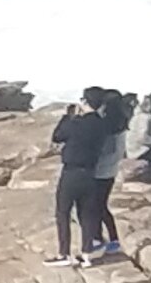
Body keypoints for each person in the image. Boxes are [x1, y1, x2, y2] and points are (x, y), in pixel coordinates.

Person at [51, 85, 125, 262]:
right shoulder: (103, 125)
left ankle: (64, 253)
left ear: (85, 101)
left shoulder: (78, 123)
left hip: (75, 172)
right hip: (94, 172)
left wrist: (68, 118)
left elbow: (58, 136)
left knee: (64, 212)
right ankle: (88, 249)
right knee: (90, 212)